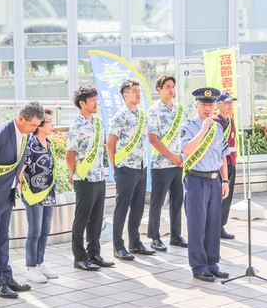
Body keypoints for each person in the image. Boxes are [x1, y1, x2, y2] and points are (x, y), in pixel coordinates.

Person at [0, 102, 44, 298]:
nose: (35, 129)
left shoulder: (25, 134)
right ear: (21, 119)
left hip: (6, 194)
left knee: (4, 238)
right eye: (33, 125)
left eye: (37, 126)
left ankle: (6, 277)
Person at [180, 87, 231, 282]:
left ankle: (212, 263)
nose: (208, 108)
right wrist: (203, 130)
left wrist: (224, 180)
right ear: (196, 106)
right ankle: (199, 266)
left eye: (211, 104)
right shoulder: (189, 125)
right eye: (204, 104)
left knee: (213, 224)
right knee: (197, 225)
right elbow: (186, 149)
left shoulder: (218, 127)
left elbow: (223, 156)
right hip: (196, 180)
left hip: (214, 180)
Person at [66, 85, 115, 271]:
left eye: (96, 99)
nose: (96, 103)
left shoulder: (98, 122)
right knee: (82, 219)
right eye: (92, 100)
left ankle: (94, 254)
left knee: (96, 218)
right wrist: (74, 175)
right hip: (84, 179)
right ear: (82, 103)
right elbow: (70, 156)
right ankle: (79, 258)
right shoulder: (76, 126)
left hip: (99, 177)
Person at [107, 79, 155, 261]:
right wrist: (115, 167)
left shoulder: (142, 114)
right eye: (134, 91)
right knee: (121, 208)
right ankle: (118, 247)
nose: (138, 93)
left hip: (141, 167)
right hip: (125, 168)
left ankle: (135, 243)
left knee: (138, 207)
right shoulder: (119, 117)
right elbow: (110, 144)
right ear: (125, 95)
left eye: (139, 90)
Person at [146, 75, 188, 251]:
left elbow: (185, 135)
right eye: (167, 87)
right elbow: (153, 139)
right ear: (159, 89)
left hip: (178, 162)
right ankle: (154, 237)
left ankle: (175, 235)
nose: (171, 90)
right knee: (158, 202)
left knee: (177, 200)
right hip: (161, 164)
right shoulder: (153, 111)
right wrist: (171, 156)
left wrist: (181, 156)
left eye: (173, 86)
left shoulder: (180, 110)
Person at [19, 108, 59, 283]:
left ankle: (40, 263)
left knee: (45, 230)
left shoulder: (48, 143)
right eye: (49, 122)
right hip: (33, 195)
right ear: (39, 126)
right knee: (34, 230)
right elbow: (20, 170)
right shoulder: (30, 144)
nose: (52, 125)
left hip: (48, 193)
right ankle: (31, 267)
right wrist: (22, 190)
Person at [213, 92, 238, 239]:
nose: (230, 105)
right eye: (227, 102)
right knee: (217, 196)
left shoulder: (231, 121)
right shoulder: (215, 121)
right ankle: (214, 226)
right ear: (219, 105)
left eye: (231, 102)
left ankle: (221, 226)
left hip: (230, 163)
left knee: (227, 197)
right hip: (218, 165)